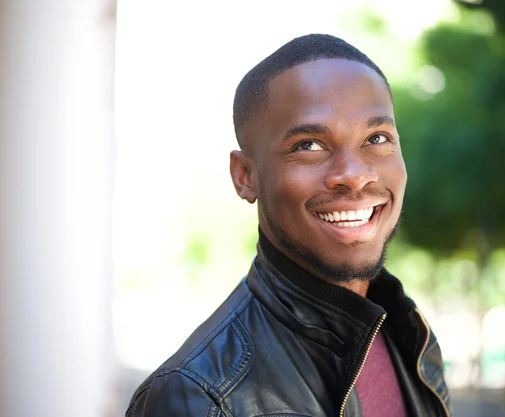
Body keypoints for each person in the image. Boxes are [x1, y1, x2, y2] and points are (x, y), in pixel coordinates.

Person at [127, 34, 452, 417]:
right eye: (309, 145)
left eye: (377, 138)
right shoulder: (199, 397)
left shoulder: (408, 333)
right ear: (245, 175)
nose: (354, 175)